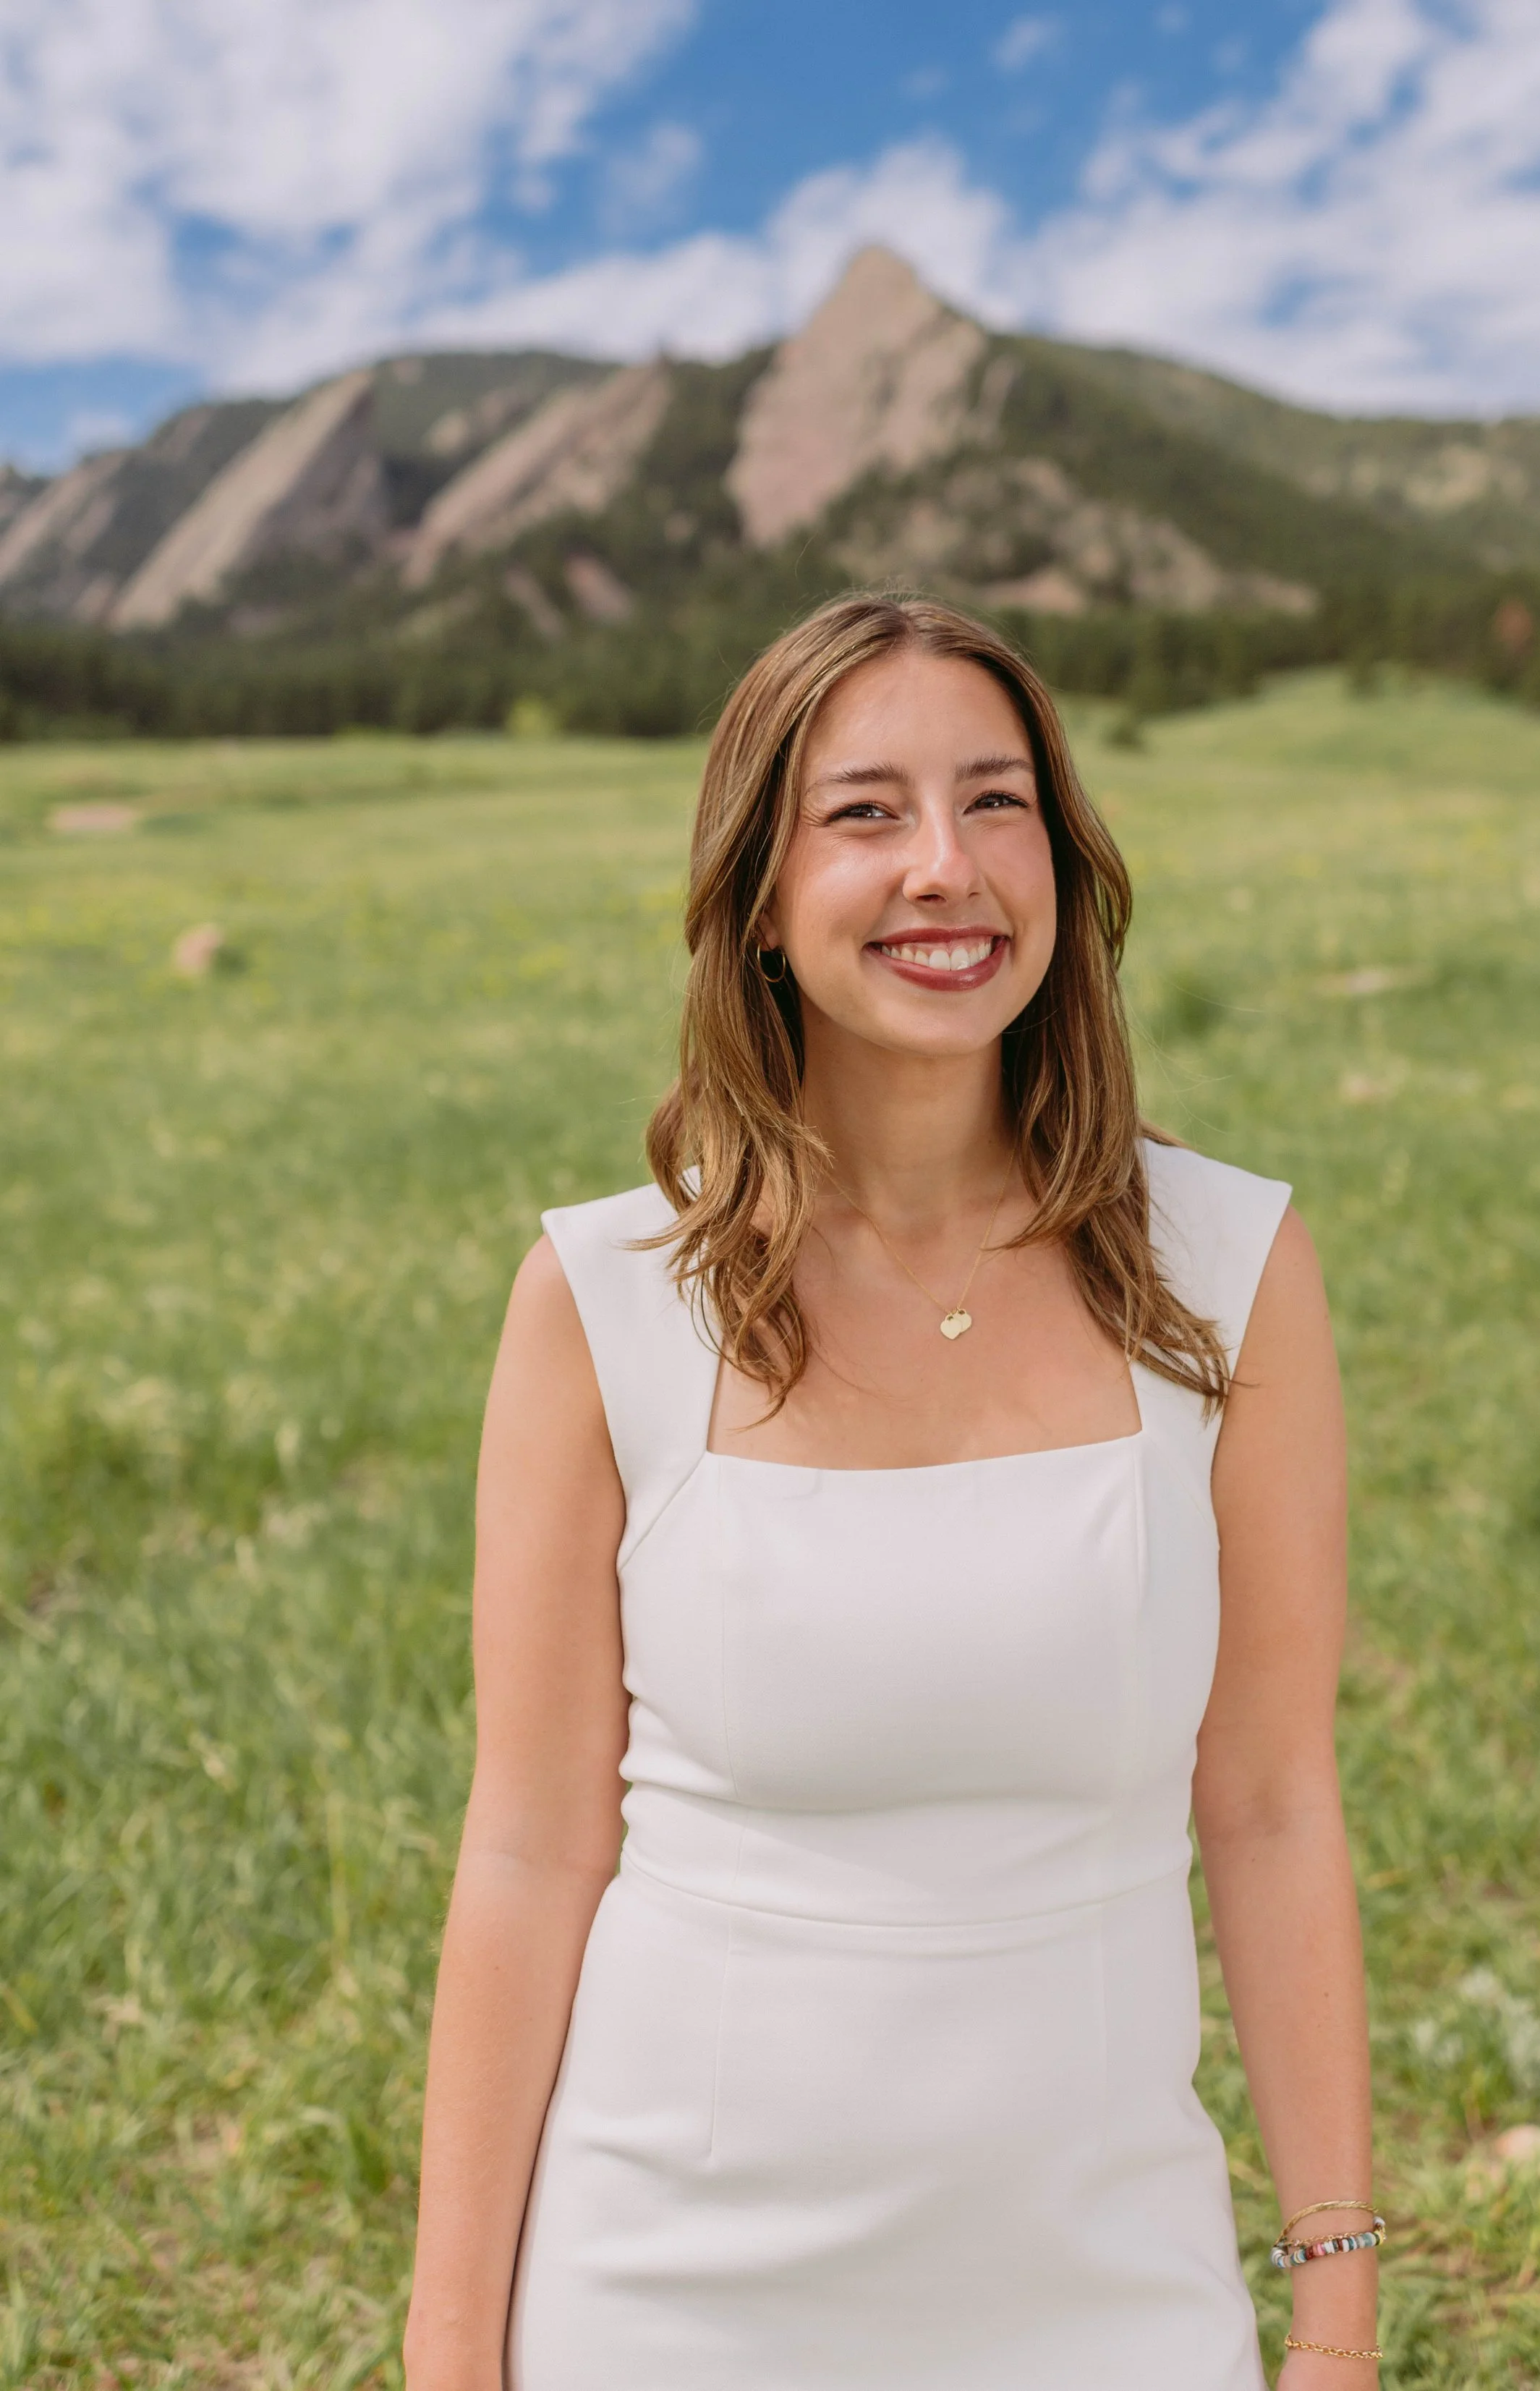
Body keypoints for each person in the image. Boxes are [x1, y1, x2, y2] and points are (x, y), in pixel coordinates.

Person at [403, 593, 1379, 2390]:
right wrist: (450, 2352)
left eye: (994, 801)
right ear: (758, 897)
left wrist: (1333, 2311)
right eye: (863, 812)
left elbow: (1267, 1805)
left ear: (1064, 863)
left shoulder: (1232, 1266)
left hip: (1107, 2277)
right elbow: (531, 1851)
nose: (945, 864)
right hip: (671, 2287)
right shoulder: (603, 1299)